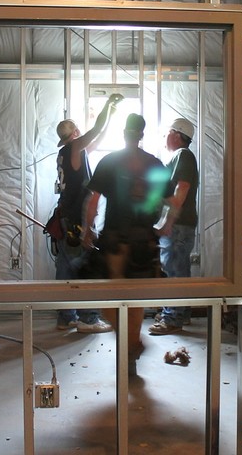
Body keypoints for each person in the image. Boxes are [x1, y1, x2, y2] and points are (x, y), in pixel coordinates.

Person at [81, 113, 170, 373]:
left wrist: (88, 230)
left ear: (124, 133)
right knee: (136, 299)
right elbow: (171, 200)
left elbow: (94, 200)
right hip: (144, 241)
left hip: (116, 239)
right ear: (141, 134)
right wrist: (165, 225)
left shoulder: (110, 161)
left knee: (111, 297)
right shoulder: (154, 163)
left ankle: (129, 344)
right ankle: (131, 349)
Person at [53, 93, 124, 333]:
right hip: (75, 219)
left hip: (65, 217)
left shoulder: (68, 153)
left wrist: (110, 116)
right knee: (86, 266)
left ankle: (66, 318)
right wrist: (107, 105)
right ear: (75, 134)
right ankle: (88, 318)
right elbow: (95, 130)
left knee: (65, 270)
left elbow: (97, 136)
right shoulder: (74, 147)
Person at [149, 117, 199, 335]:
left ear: (177, 135)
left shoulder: (183, 155)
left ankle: (172, 318)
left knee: (174, 271)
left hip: (178, 225)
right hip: (179, 224)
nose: (165, 136)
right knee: (179, 269)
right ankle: (181, 313)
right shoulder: (179, 157)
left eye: (168, 132)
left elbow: (182, 187)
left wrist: (168, 221)